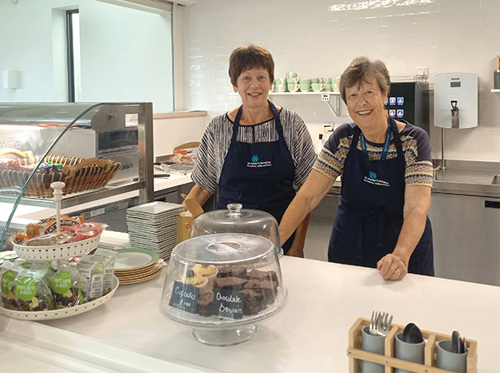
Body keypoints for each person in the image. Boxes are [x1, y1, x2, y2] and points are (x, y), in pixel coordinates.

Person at [279, 56, 434, 280]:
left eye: (368, 93)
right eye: (352, 95)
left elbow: (416, 208)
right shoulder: (343, 138)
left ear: (384, 93)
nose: (361, 102)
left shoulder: (413, 139)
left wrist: (400, 255)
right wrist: (274, 246)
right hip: (350, 247)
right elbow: (307, 197)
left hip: (402, 251)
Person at [186, 44, 316, 255]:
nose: (254, 85)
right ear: (234, 84)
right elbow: (202, 187)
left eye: (261, 77)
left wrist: (297, 246)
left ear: (270, 82)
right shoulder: (219, 127)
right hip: (227, 244)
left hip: (281, 241)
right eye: (246, 78)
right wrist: (181, 225)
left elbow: (306, 192)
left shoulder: (292, 124)